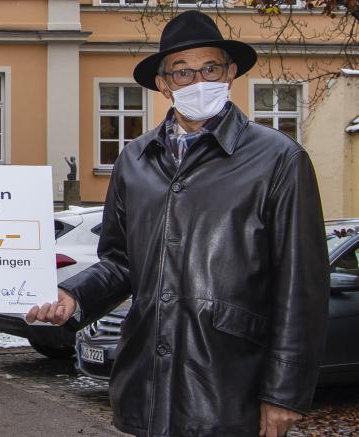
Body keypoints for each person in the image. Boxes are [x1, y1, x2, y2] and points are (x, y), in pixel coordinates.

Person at [28, 10, 329, 437]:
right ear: (164, 84)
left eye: (210, 68)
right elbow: (120, 262)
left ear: (230, 73)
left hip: (230, 388)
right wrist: (72, 296)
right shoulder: (134, 160)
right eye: (182, 72)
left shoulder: (279, 160)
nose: (198, 81)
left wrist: (284, 393)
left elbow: (302, 290)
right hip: (145, 387)